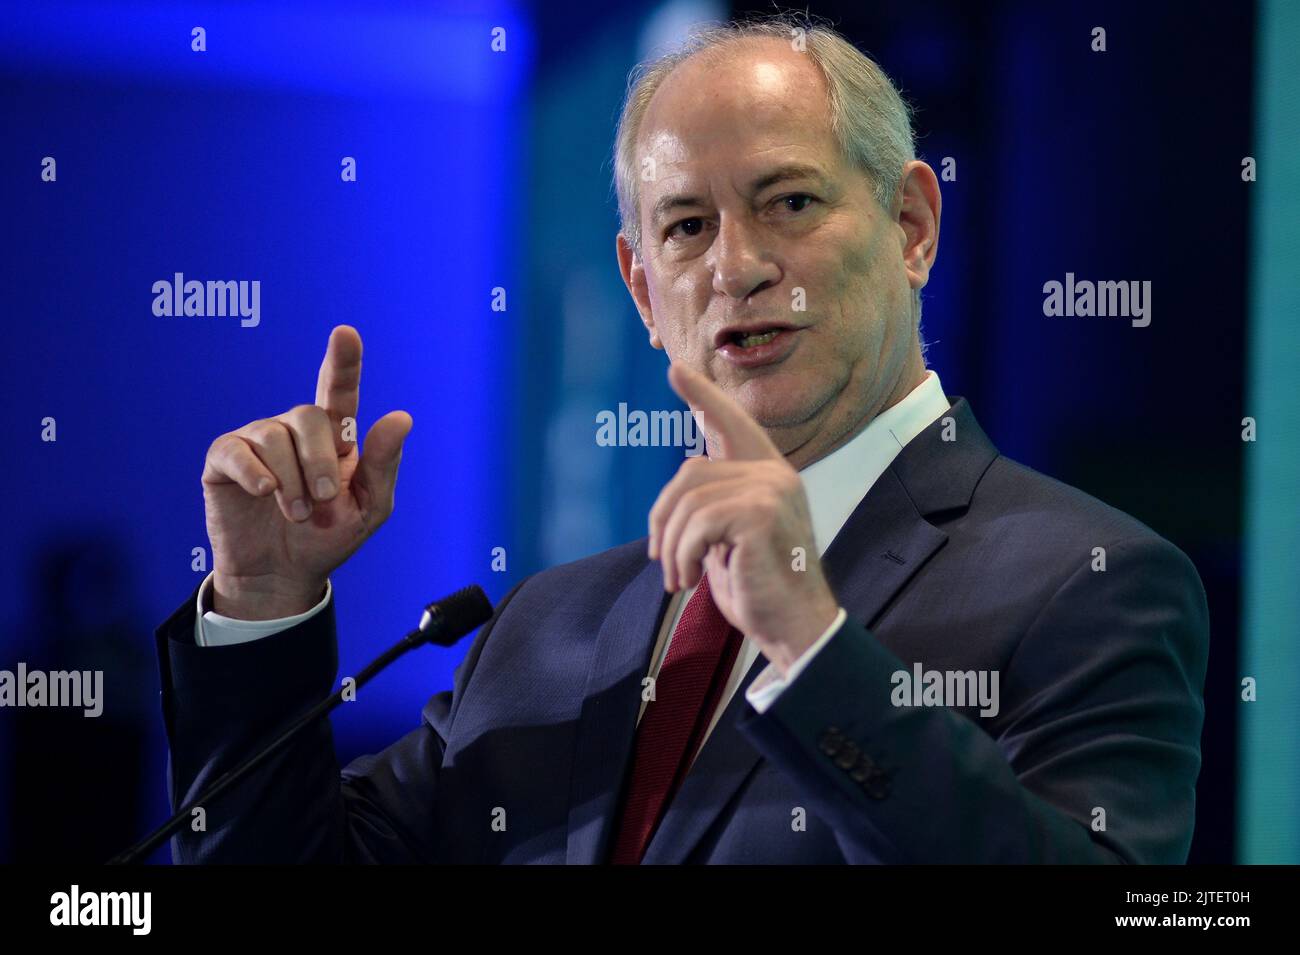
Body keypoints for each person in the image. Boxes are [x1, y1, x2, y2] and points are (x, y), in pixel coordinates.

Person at [154, 16, 1208, 863]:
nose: (737, 265)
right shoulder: (542, 625)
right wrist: (264, 606)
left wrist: (811, 646)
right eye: (687, 225)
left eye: (789, 201)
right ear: (642, 288)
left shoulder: (1087, 582)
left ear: (912, 226)